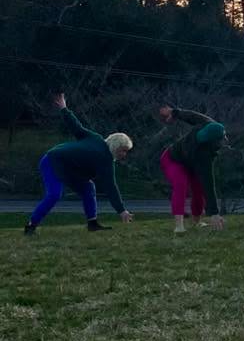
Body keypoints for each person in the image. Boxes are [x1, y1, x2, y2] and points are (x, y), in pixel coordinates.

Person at [24, 93, 134, 235]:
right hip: (52, 161)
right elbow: (111, 187)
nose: (124, 155)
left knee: (88, 187)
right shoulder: (104, 158)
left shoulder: (96, 138)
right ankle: (31, 226)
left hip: (70, 169)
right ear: (115, 147)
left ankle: (92, 224)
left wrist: (64, 108)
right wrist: (122, 211)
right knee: (54, 195)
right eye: (123, 151)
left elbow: (76, 127)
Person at [158, 105, 227, 233]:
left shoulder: (209, 126)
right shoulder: (200, 150)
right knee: (181, 185)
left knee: (199, 188)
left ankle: (197, 221)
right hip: (172, 159)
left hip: (191, 162)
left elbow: (208, 183)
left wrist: (174, 112)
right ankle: (179, 226)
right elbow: (208, 183)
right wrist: (214, 213)